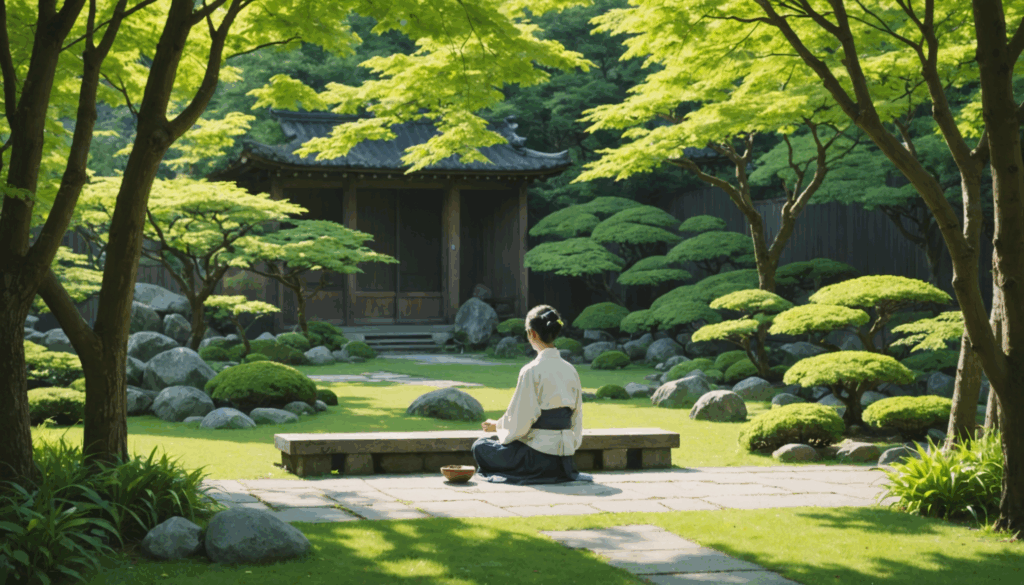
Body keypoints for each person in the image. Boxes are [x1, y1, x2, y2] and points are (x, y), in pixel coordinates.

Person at [471, 304, 593, 485]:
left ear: (532, 334)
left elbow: (521, 422)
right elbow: (576, 419)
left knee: (480, 446)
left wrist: (497, 427)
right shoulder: (571, 370)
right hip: (564, 462)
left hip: (535, 458)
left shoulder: (531, 371)